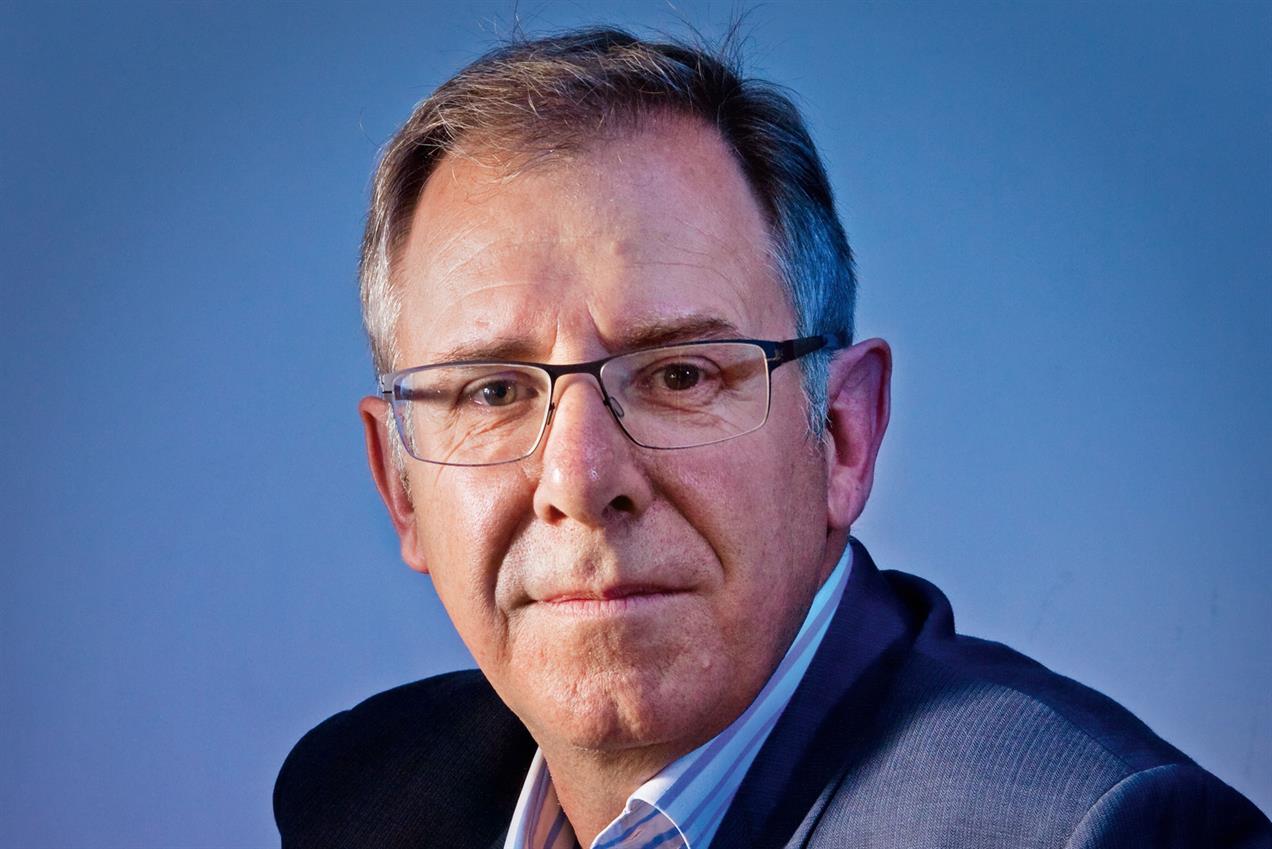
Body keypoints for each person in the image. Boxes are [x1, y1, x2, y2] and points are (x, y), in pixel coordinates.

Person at [273, 27, 1270, 849]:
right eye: (492, 390)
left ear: (841, 434)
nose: (578, 477)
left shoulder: (1090, 831)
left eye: (678, 375)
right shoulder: (363, 798)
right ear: (401, 485)